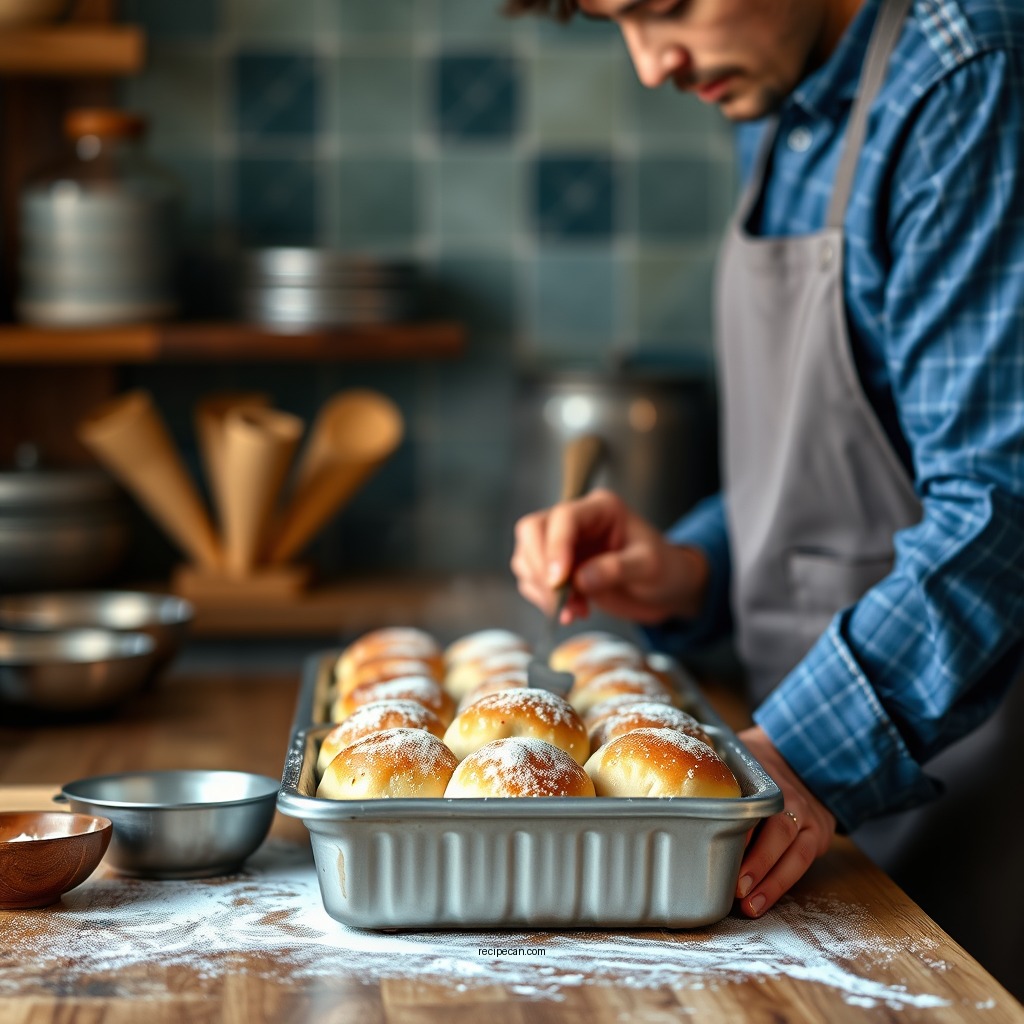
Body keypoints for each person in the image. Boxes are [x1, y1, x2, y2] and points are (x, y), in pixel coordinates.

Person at [505, 0, 1024, 995]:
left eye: (662, 8)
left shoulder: (961, 79)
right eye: (613, 22)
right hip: (816, 807)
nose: (651, 64)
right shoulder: (779, 95)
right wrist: (695, 567)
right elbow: (850, 447)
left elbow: (996, 514)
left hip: (974, 787)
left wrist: (787, 760)